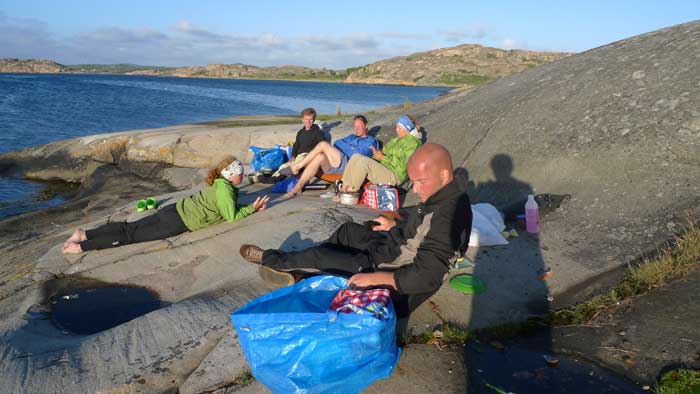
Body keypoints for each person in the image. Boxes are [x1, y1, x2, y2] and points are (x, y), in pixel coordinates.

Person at [239, 143, 472, 316]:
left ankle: (274, 260)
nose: (416, 189)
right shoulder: (444, 194)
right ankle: (324, 270)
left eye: (421, 181)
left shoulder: (447, 215)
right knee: (348, 230)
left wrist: (374, 278)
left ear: (444, 174)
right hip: (391, 246)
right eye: (414, 182)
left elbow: (427, 275)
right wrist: (395, 225)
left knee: (319, 255)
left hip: (385, 266)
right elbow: (421, 230)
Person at [62, 156, 270, 253]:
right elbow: (231, 215)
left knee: (129, 226)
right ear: (231, 175)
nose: (243, 175)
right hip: (179, 221)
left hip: (175, 210)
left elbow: (225, 207)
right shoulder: (226, 189)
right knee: (129, 236)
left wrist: (249, 207)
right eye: (240, 173)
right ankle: (82, 247)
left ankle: (84, 234)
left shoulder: (219, 182)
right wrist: (251, 208)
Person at [282, 115, 379, 197]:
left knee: (323, 144)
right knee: (319, 156)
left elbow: (358, 154)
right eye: (355, 126)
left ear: (366, 126)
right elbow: (337, 143)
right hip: (338, 159)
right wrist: (351, 147)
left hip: (350, 164)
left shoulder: (370, 141)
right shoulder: (351, 137)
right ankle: (298, 187)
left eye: (359, 126)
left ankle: (297, 167)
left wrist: (347, 146)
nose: (356, 129)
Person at [339, 115, 422, 193]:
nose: (396, 130)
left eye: (399, 128)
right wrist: (377, 155)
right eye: (396, 127)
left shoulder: (413, 144)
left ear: (407, 128)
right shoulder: (396, 140)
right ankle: (343, 188)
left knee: (363, 162)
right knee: (356, 156)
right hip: (385, 168)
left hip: (395, 176)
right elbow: (383, 153)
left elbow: (402, 168)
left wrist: (382, 158)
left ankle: (350, 192)